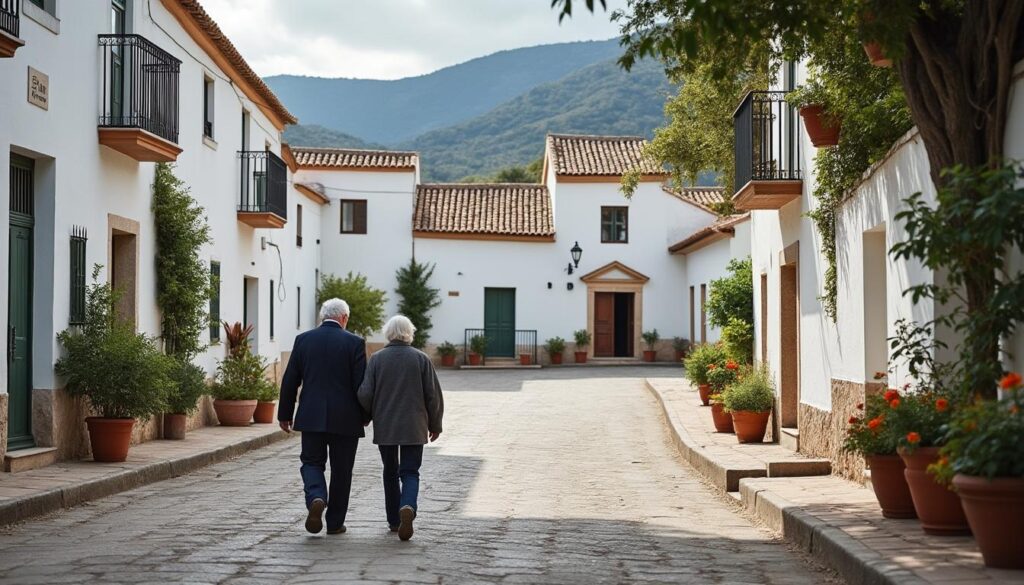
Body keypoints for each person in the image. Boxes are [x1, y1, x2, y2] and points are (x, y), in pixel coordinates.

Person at [279, 298, 367, 535]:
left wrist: (285, 414)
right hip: (346, 419)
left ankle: (317, 496)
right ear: (344, 318)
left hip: (311, 415)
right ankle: (335, 523)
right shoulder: (355, 343)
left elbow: (290, 380)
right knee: (342, 470)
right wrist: (365, 416)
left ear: (322, 317)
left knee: (311, 462)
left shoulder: (303, 340)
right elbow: (362, 386)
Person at [358, 315, 444, 541]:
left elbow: (365, 392)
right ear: (409, 333)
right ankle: (407, 505)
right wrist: (435, 424)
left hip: (386, 425)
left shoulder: (377, 359)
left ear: (388, 333)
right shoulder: (421, 359)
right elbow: (433, 395)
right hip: (414, 426)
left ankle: (395, 521)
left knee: (390, 471)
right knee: (410, 472)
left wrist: (366, 416)